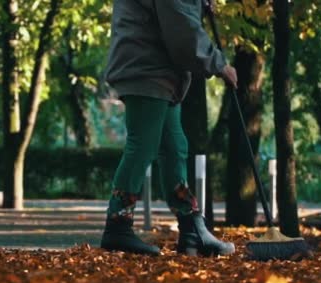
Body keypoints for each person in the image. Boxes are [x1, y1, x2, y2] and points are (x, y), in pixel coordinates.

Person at [100, 0, 237, 256]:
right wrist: (219, 65)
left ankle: (192, 229)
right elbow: (182, 29)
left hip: (157, 70)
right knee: (143, 146)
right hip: (146, 68)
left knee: (174, 148)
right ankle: (117, 226)